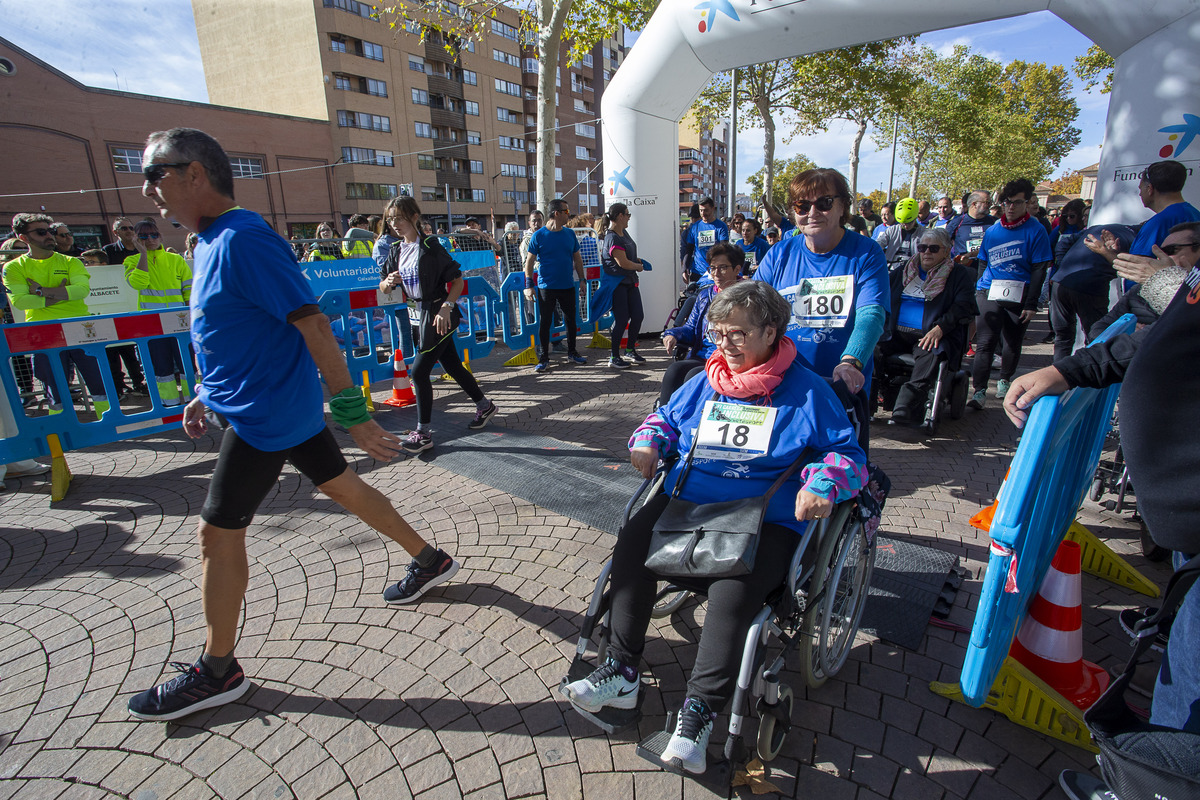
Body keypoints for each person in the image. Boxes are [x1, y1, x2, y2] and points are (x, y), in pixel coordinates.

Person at [125, 127, 461, 723]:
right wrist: (206, 392)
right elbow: (233, 331)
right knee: (342, 488)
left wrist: (355, 416)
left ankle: (216, 669)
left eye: (156, 173)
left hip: (266, 419)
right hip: (265, 408)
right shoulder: (207, 242)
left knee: (216, 533)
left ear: (195, 173)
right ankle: (429, 558)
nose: (147, 187)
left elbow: (313, 326)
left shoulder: (244, 239)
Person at [563, 281, 867, 775]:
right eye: (719, 332)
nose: (724, 344)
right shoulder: (708, 379)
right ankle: (621, 671)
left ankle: (700, 712)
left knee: (733, 590)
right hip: (689, 500)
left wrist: (822, 483)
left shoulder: (808, 392)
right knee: (632, 543)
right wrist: (647, 441)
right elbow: (663, 418)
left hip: (762, 514)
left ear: (771, 332)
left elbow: (846, 454)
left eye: (737, 334)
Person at [1002, 246, 1200, 735]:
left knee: (1193, 673)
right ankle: (1161, 755)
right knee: (1188, 653)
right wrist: (1067, 370)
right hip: (1185, 521)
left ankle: (1162, 769)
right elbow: (1169, 335)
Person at [752, 168, 890, 406]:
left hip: (840, 386)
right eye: (802, 206)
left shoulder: (867, 253)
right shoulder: (778, 254)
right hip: (783, 383)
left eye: (824, 203)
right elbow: (752, 310)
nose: (812, 213)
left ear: (843, 206)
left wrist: (851, 362)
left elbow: (872, 314)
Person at [379, 196, 498, 454]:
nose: (394, 224)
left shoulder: (431, 246)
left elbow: (457, 281)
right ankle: (484, 405)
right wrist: (388, 281)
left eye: (399, 218)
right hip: (416, 315)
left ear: (414, 217)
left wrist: (446, 307)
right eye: (390, 219)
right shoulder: (396, 250)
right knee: (452, 365)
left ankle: (423, 432)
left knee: (419, 372)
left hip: (437, 314)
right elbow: (383, 286)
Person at [2, 214, 109, 417]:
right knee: (54, 385)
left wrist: (41, 291)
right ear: (23, 237)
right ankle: (61, 426)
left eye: (50, 231)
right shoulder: (13, 267)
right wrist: (61, 293)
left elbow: (81, 291)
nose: (49, 236)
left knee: (97, 380)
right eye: (41, 232)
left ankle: (110, 421)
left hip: (79, 326)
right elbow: (20, 301)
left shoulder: (71, 262)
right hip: (43, 331)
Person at [967, 178, 1051, 408]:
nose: (1011, 207)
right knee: (984, 343)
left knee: (1011, 342)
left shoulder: (1036, 230)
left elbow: (1039, 268)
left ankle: (1004, 379)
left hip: (1019, 293)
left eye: (1016, 203)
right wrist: (978, 290)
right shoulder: (993, 230)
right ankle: (979, 391)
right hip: (989, 291)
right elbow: (983, 262)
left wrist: (1032, 303)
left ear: (1027, 203)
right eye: (1007, 203)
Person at [878, 227, 977, 424]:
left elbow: (963, 306)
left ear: (947, 250)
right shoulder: (905, 270)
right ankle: (874, 394)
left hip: (931, 334)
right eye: (922, 247)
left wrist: (940, 328)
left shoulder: (958, 275)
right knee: (872, 347)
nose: (926, 252)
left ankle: (906, 405)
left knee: (932, 351)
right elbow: (881, 291)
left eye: (933, 248)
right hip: (896, 333)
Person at [1087, 160, 1200, 285]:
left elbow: (1136, 268)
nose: (1140, 193)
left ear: (1150, 189)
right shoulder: (1194, 214)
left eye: (1140, 188)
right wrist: (1118, 253)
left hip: (1149, 299)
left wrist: (1104, 251)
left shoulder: (1158, 223)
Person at [659, 242, 744, 405]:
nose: (716, 273)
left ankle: (690, 422)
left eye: (723, 267)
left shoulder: (747, 296)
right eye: (712, 268)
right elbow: (691, 328)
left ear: (737, 269)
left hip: (731, 358)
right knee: (675, 370)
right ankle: (662, 420)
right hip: (704, 354)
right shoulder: (705, 296)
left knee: (695, 375)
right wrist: (672, 334)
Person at [123, 219, 193, 407]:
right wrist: (143, 254)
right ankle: (169, 403)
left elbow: (188, 289)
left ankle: (193, 400)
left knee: (188, 363)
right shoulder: (131, 260)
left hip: (179, 321)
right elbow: (138, 283)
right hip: (152, 323)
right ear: (137, 239)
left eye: (154, 235)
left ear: (160, 236)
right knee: (162, 367)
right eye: (144, 236)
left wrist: (189, 315)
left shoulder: (176, 259)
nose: (151, 239)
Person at [1047, 224, 1134, 361]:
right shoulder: (1137, 238)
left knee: (1063, 337)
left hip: (1062, 281)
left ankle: (1058, 375)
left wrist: (1062, 266)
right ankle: (1086, 375)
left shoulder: (1099, 228)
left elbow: (1063, 242)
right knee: (1096, 336)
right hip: (1090, 285)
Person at [523, 199, 587, 373]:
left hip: (566, 285)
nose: (569, 215)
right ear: (556, 213)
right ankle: (544, 358)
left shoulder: (569, 234)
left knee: (570, 320)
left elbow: (577, 258)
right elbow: (529, 262)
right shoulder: (539, 235)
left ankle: (572, 352)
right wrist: (528, 284)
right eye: (566, 212)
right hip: (546, 287)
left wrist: (582, 279)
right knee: (545, 322)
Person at [601, 203, 645, 369]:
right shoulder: (612, 237)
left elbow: (628, 258)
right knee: (621, 320)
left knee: (638, 316)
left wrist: (637, 260)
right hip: (618, 284)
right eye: (627, 214)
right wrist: (637, 266)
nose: (628, 218)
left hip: (630, 282)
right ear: (620, 216)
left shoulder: (623, 233)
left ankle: (629, 350)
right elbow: (623, 263)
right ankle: (614, 356)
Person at [947, 191, 997, 280]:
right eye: (987, 202)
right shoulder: (957, 223)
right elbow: (943, 244)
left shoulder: (995, 222)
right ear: (974, 204)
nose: (990, 205)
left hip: (989, 272)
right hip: (964, 273)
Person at [680, 197, 729, 288]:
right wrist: (684, 269)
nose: (703, 213)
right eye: (701, 210)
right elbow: (689, 250)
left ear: (713, 209)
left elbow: (724, 250)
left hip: (715, 273)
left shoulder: (721, 226)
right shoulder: (695, 227)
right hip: (697, 272)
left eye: (706, 210)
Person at [876, 197, 923, 268]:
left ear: (915, 217)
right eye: (903, 223)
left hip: (913, 269)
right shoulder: (892, 230)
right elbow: (878, 244)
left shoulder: (924, 233)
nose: (906, 226)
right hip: (891, 267)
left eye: (909, 223)